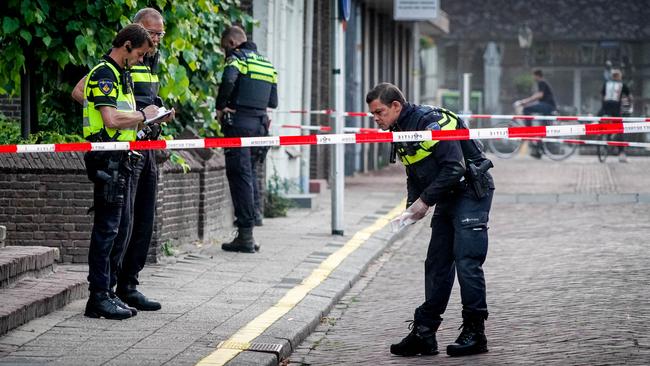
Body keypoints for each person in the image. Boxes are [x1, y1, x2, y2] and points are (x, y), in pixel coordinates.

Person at [366, 83, 495, 357]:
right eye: (373, 114)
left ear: (396, 106)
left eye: (379, 112)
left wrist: (425, 202)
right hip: (448, 194)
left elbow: (455, 167)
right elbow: (414, 171)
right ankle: (425, 334)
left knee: (466, 260)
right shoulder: (400, 130)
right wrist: (410, 209)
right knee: (437, 263)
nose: (376, 118)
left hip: (471, 190)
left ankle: (475, 332)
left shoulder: (432, 123)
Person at [73, 8, 172, 312]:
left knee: (139, 221)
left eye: (160, 35)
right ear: (135, 33)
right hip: (119, 149)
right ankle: (106, 290)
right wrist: (120, 120)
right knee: (115, 223)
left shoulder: (145, 64)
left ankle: (127, 286)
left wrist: (155, 117)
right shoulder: (112, 66)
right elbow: (82, 92)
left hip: (142, 147)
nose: (156, 40)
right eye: (153, 34)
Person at [216, 25, 278, 253]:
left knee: (239, 176)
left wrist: (221, 106)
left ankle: (245, 236)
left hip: (238, 126)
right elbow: (273, 102)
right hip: (260, 127)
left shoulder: (236, 60)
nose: (226, 53)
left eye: (225, 48)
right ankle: (252, 223)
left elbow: (229, 81)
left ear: (232, 43)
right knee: (250, 174)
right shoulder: (267, 64)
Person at [514, 70, 557, 159]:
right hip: (548, 106)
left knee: (526, 109)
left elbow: (539, 95)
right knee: (542, 129)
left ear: (537, 76)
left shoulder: (541, 82)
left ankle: (529, 131)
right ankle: (538, 151)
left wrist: (525, 101)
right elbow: (538, 95)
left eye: (534, 76)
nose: (533, 78)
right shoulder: (543, 83)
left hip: (547, 106)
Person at [598, 69, 631, 162]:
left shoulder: (606, 83)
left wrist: (603, 105)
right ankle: (621, 153)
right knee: (619, 129)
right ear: (619, 76)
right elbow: (629, 97)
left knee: (601, 122)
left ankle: (603, 137)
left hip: (605, 108)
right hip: (616, 109)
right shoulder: (622, 85)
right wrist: (629, 107)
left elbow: (602, 95)